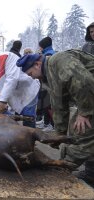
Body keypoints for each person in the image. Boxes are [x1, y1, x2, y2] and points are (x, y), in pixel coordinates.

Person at [16, 50, 94, 186]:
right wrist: (60, 134)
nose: (33, 78)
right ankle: (90, 173)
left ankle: (62, 169)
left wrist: (85, 112)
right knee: (78, 131)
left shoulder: (60, 61)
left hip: (90, 96)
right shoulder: (50, 73)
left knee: (83, 134)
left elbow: (85, 82)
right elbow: (59, 104)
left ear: (37, 64)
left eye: (30, 74)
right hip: (90, 97)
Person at [36, 36, 55, 132]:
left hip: (49, 84)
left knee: (49, 105)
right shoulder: (47, 53)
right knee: (45, 104)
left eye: (40, 46)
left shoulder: (49, 55)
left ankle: (52, 124)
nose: (39, 48)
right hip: (46, 83)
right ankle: (46, 122)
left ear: (43, 46)